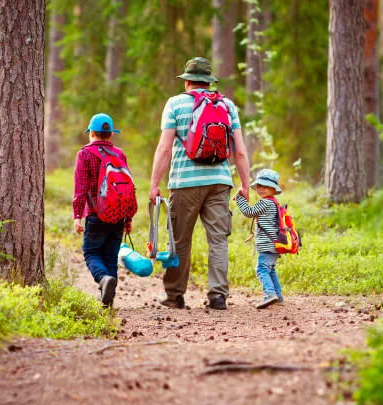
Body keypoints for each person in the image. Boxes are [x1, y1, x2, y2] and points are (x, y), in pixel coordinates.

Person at [149, 57, 250, 310]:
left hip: (184, 183)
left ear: (187, 82)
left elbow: (164, 148)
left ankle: (174, 296)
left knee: (180, 240)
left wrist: (154, 184)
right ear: (208, 81)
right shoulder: (227, 105)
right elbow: (239, 151)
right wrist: (245, 185)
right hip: (220, 182)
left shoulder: (174, 104)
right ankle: (218, 296)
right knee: (218, 240)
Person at [73, 113, 134, 308]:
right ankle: (108, 302)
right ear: (111, 135)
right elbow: (128, 189)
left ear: (91, 133)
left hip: (95, 214)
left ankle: (102, 279)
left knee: (91, 252)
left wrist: (77, 216)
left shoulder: (85, 154)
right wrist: (128, 218)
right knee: (110, 256)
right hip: (118, 214)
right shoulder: (120, 154)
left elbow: (80, 188)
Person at [235, 169, 285, 309]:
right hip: (274, 244)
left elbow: (248, 212)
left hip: (267, 245)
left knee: (261, 269)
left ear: (273, 189)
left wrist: (240, 198)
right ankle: (278, 296)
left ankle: (270, 294)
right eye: (259, 186)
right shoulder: (273, 202)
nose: (262, 189)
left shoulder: (266, 203)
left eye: (266, 187)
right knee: (270, 269)